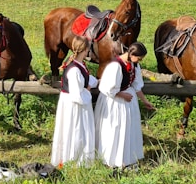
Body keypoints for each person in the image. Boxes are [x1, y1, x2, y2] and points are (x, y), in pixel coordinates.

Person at [94, 41, 156, 170]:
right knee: (114, 129)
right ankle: (111, 160)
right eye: (138, 58)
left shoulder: (134, 65)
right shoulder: (115, 66)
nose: (139, 61)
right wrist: (122, 95)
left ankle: (126, 158)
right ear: (131, 54)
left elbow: (136, 85)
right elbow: (107, 88)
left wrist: (144, 101)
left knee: (127, 130)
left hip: (127, 103)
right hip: (114, 103)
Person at [51, 35, 98, 167]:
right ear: (86, 50)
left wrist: (96, 82)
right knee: (76, 130)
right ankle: (74, 160)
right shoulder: (74, 70)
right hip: (74, 106)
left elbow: (87, 79)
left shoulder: (79, 65)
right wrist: (88, 90)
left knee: (79, 130)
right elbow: (77, 95)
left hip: (76, 103)